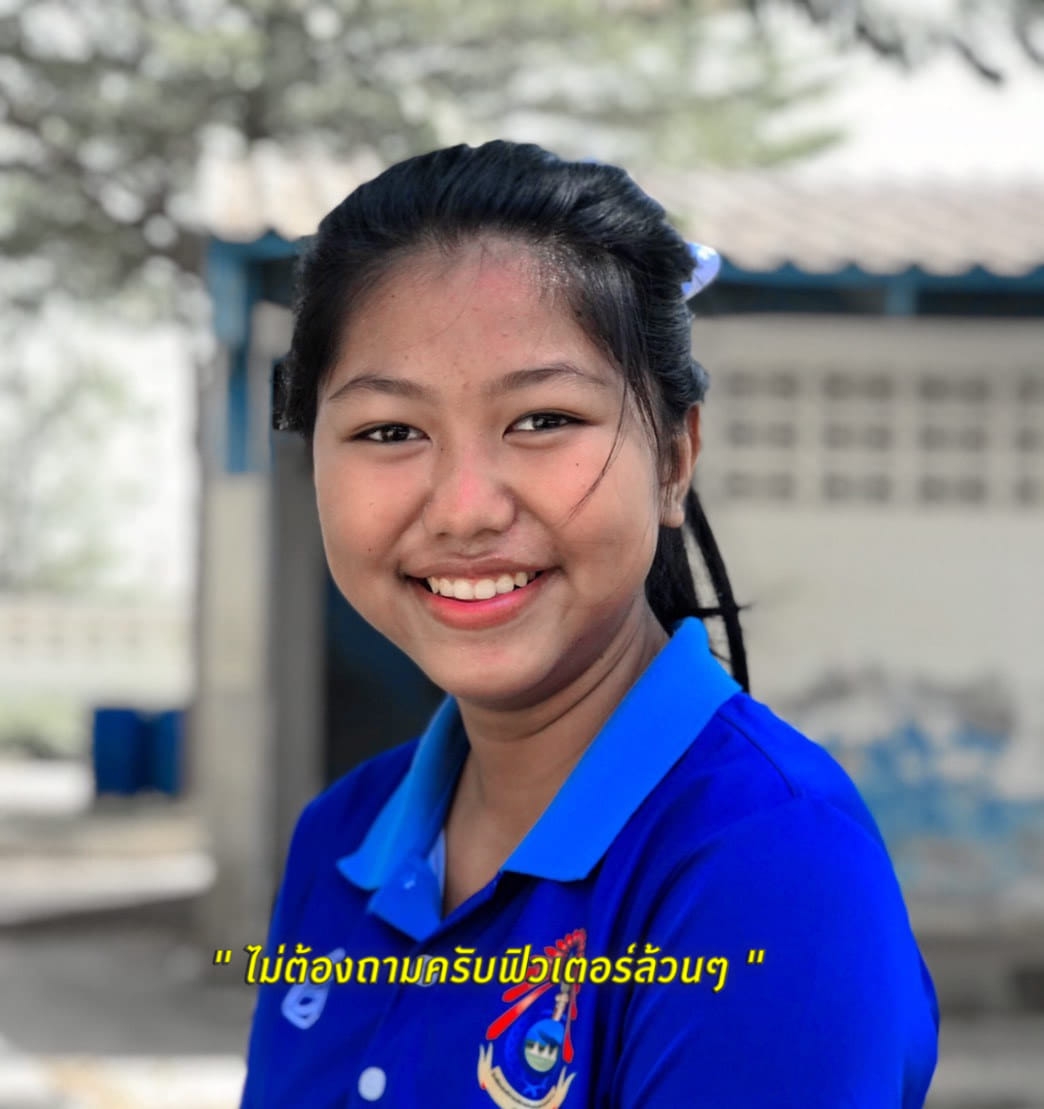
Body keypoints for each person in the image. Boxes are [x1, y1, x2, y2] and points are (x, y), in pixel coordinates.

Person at [242, 140, 939, 1107]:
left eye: (543, 419)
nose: (465, 509)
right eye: (390, 431)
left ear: (674, 458)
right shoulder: (341, 837)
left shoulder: (770, 862)